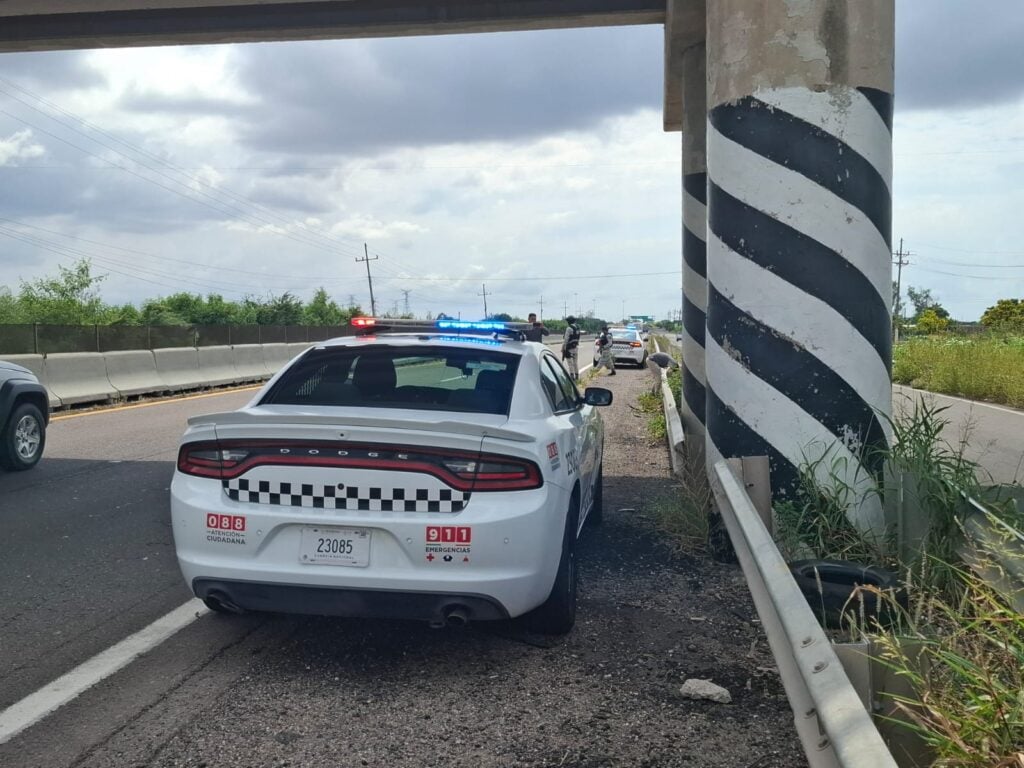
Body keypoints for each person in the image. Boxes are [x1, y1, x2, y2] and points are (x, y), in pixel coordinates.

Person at [561, 315, 581, 381]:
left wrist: (563, 348)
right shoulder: (578, 328)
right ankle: (577, 375)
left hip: (569, 348)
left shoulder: (569, 328)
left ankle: (572, 376)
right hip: (575, 347)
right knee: (575, 362)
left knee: (570, 363)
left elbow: (566, 339)